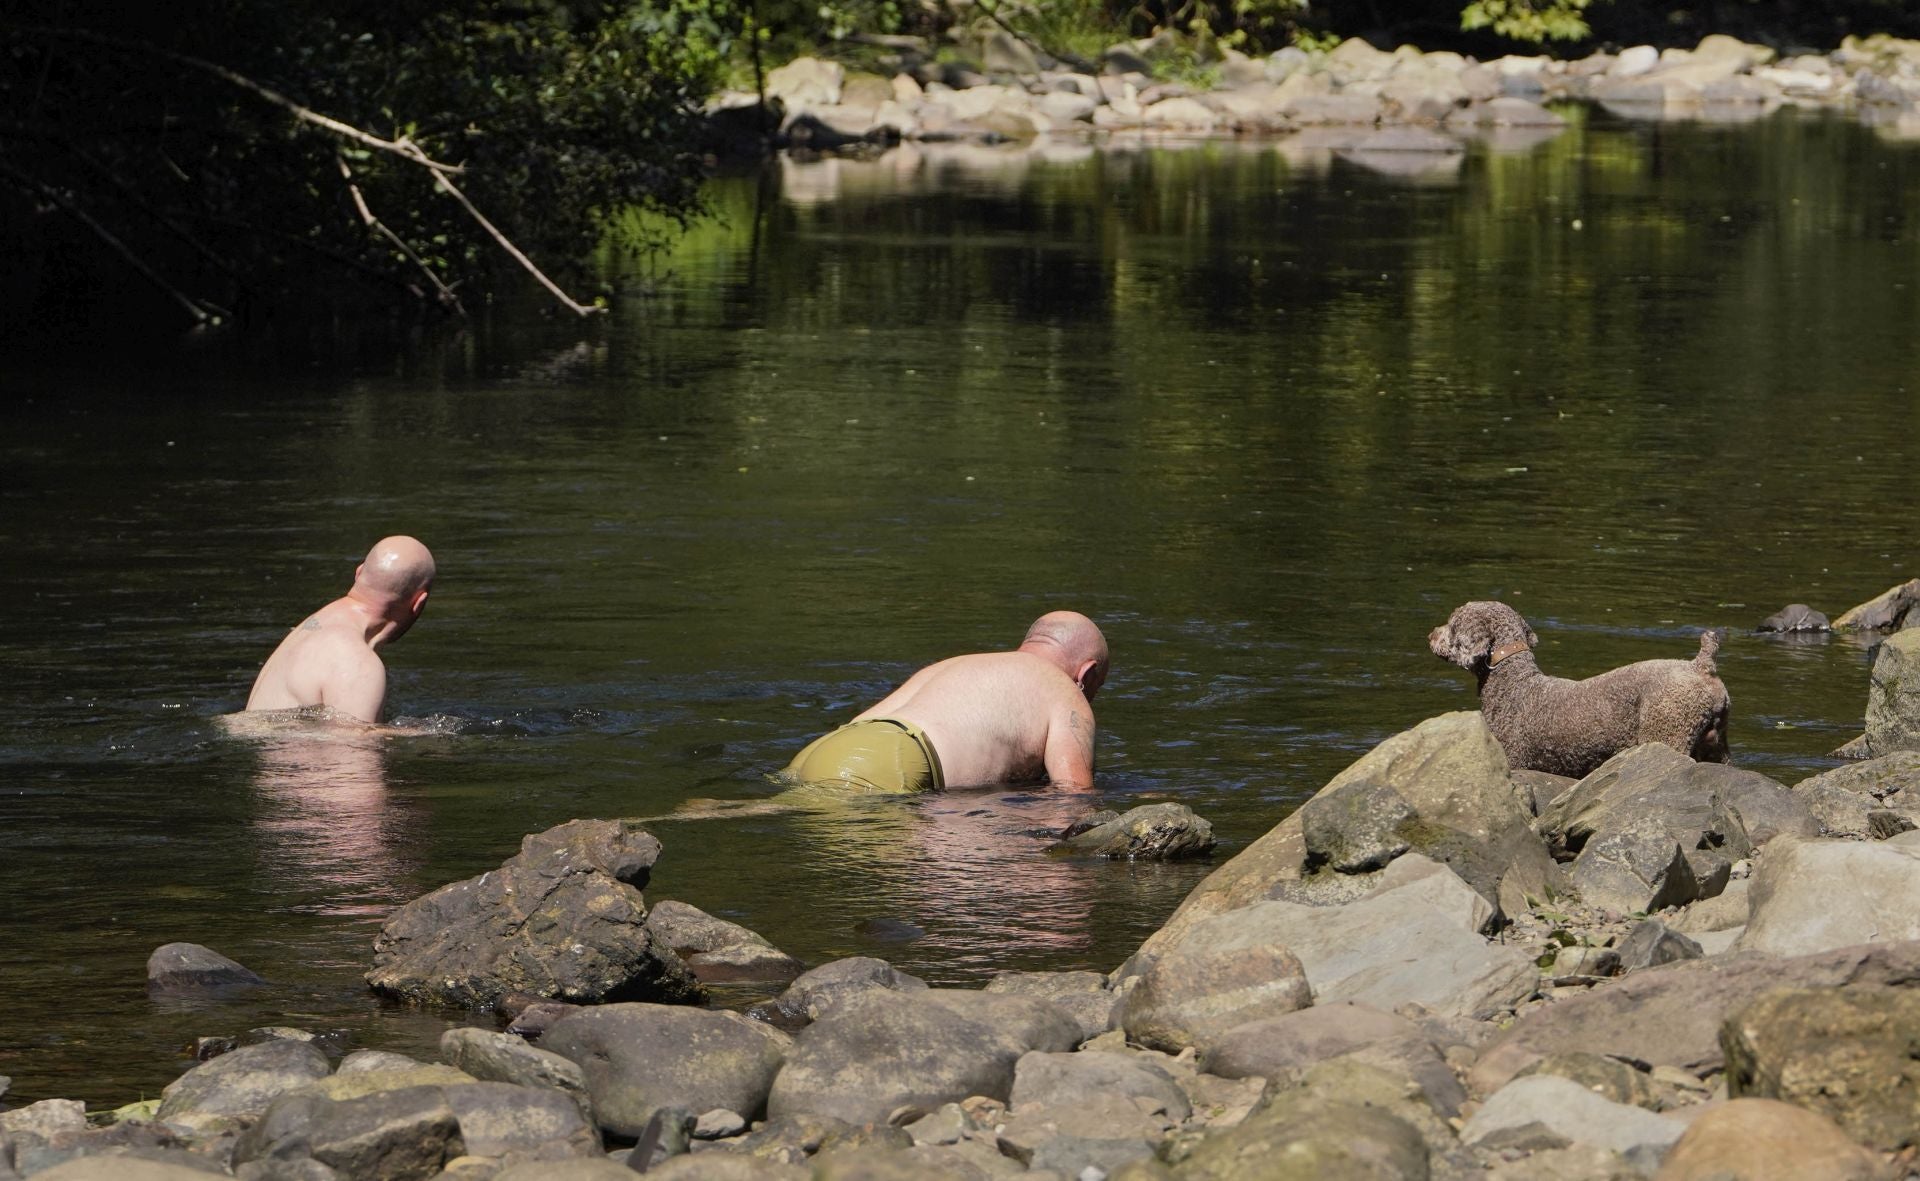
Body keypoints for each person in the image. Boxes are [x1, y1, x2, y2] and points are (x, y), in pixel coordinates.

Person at [781, 610, 1108, 793]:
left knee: (798, 806)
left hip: (823, 749)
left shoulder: (961, 664)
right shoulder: (1064, 689)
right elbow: (1072, 794)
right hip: (887, 762)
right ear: (1087, 673)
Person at [244, 536, 435, 723]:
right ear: (419, 603)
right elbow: (351, 744)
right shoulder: (357, 663)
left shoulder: (314, 624)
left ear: (359, 572)